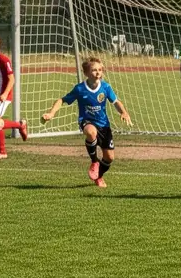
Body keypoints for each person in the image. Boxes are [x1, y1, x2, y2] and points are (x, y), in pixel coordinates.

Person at [41, 56, 132, 187]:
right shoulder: (79, 89)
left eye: (100, 70)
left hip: (104, 125)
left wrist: (123, 112)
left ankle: (98, 176)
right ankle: (94, 161)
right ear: (86, 73)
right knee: (90, 132)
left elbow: (115, 101)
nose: (98, 73)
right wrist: (51, 113)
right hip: (86, 121)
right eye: (94, 70)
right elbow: (62, 100)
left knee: (109, 158)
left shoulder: (106, 87)